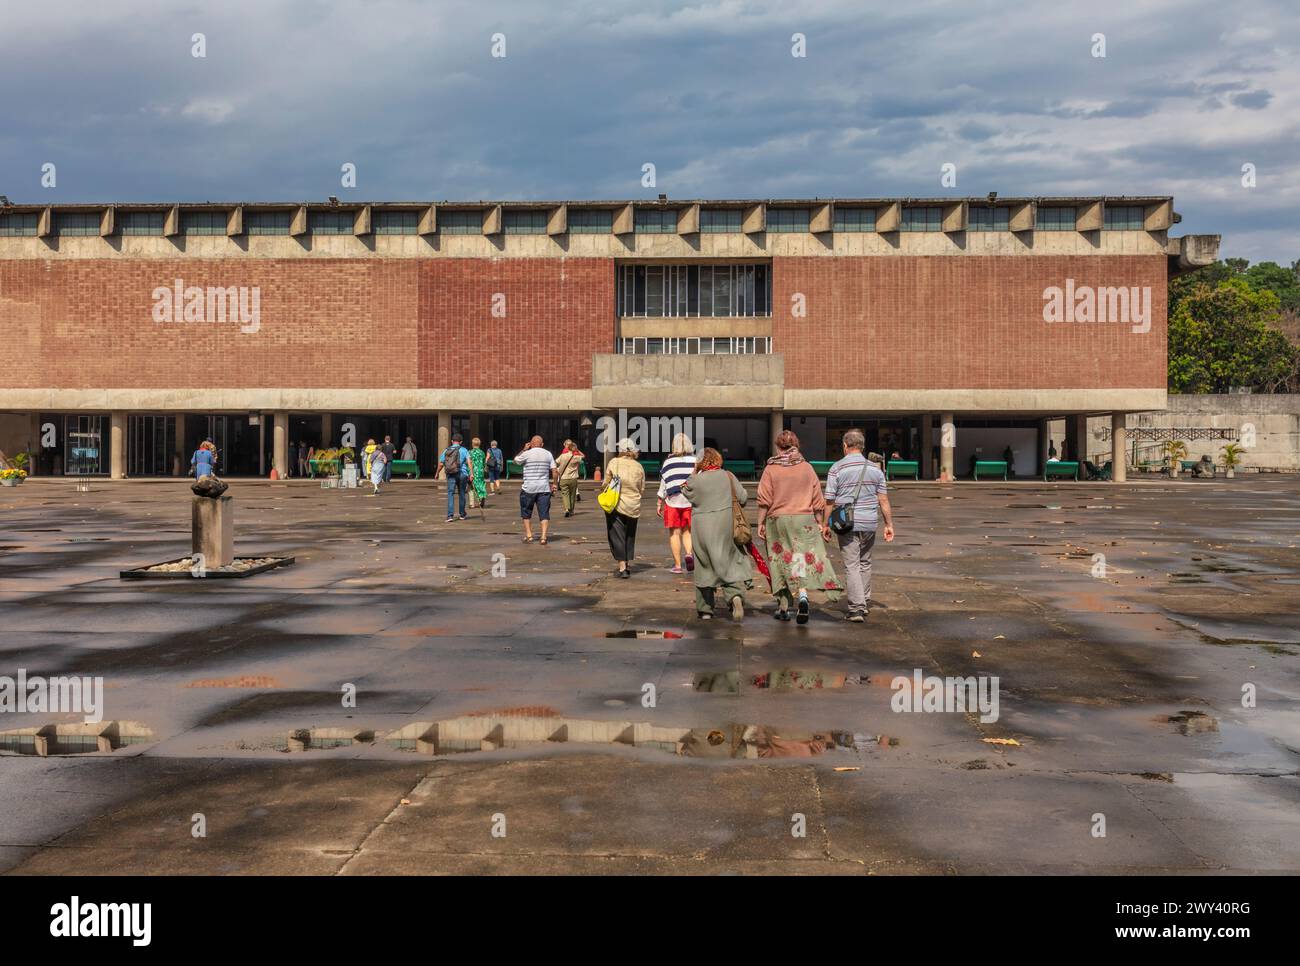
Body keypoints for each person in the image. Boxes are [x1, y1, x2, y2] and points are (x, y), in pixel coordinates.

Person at [757, 430, 841, 625]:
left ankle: (783, 606)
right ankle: (803, 595)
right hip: (804, 520)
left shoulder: (771, 469)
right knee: (799, 558)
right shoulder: (807, 468)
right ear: (797, 445)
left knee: (779, 560)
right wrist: (820, 522)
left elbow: (764, 500)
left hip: (778, 521)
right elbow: (818, 500)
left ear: (778, 447)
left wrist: (760, 523)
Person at [825, 429, 895, 623]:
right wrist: (889, 524)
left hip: (846, 522)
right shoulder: (875, 469)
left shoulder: (837, 468)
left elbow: (829, 500)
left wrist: (825, 524)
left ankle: (856, 609)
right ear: (862, 447)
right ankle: (863, 601)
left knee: (852, 564)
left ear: (845, 446)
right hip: (870, 521)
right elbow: (884, 500)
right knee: (865, 562)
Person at [682, 448, 751, 620]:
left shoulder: (696, 481)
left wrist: (694, 471)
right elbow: (743, 498)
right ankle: (735, 597)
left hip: (703, 529)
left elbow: (684, 490)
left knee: (705, 565)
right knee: (726, 563)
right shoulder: (728, 476)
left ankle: (705, 609)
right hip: (726, 526)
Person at [657, 432, 697, 574]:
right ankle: (688, 553)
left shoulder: (668, 462)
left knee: (674, 532)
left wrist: (659, 500)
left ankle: (678, 566)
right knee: (688, 531)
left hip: (673, 501)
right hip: (690, 500)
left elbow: (664, 482)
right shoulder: (695, 461)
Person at [603, 439, 644, 577]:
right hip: (634, 505)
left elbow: (606, 482)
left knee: (617, 534)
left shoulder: (614, 462)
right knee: (629, 535)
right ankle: (627, 562)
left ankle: (622, 567)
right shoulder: (638, 466)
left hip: (617, 503)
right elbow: (642, 488)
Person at [515, 435, 557, 544]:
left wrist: (524, 449)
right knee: (544, 513)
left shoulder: (526, 454)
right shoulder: (548, 454)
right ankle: (543, 537)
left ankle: (529, 536)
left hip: (528, 488)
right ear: (542, 444)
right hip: (544, 488)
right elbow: (554, 471)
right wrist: (555, 484)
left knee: (526, 512)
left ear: (531, 444)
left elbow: (516, 461)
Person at [442, 433, 471, 521]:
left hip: (451, 474)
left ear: (452, 441)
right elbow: (469, 462)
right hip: (462, 474)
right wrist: (471, 474)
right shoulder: (464, 450)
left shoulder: (446, 450)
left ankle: (450, 516)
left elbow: (441, 463)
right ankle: (462, 514)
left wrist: (437, 473)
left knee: (450, 493)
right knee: (462, 493)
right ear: (461, 442)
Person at [556, 439, 584, 517]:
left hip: (563, 478)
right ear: (573, 448)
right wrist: (577, 450)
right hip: (573, 478)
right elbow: (583, 456)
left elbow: (556, 461)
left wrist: (559, 470)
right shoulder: (576, 457)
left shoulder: (562, 456)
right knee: (572, 495)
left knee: (565, 494)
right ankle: (571, 510)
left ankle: (566, 509)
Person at [468, 437, 488, 509]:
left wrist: (470, 472)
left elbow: (469, 462)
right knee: (481, 484)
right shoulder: (482, 452)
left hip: (473, 471)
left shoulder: (470, 452)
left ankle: (471, 504)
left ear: (472, 444)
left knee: (471, 487)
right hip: (480, 471)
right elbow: (483, 463)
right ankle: (481, 497)